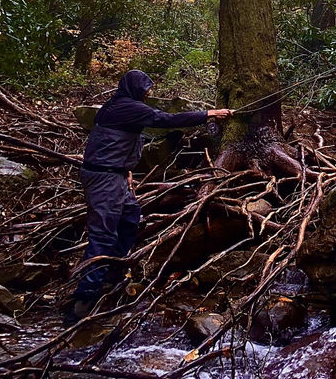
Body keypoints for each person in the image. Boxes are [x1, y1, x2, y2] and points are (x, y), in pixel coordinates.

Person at [64, 70, 233, 324]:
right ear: (134, 88)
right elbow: (168, 119)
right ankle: (82, 305)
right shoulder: (128, 107)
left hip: (114, 175)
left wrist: (126, 170)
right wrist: (209, 114)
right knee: (103, 236)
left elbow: (110, 142)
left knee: (130, 216)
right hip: (105, 179)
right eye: (145, 88)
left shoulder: (116, 106)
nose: (147, 93)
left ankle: (113, 275)